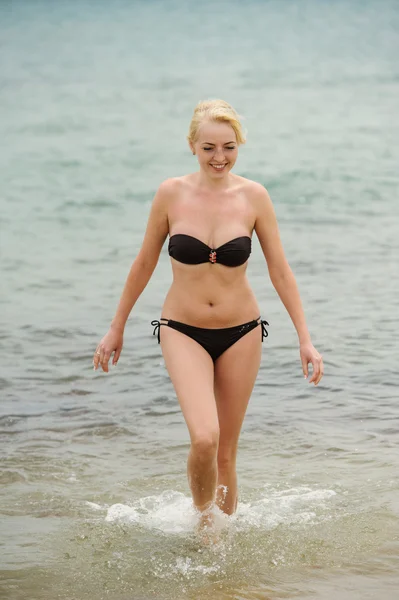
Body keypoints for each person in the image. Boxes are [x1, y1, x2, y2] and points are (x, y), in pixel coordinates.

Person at [93, 99, 324, 525]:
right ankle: (205, 525)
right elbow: (144, 262)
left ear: (239, 146)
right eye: (209, 148)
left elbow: (280, 270)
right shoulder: (170, 194)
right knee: (204, 438)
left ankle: (220, 546)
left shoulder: (255, 196)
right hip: (182, 329)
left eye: (229, 147)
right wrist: (116, 327)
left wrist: (305, 339)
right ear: (192, 146)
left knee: (225, 452)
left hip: (243, 332)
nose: (220, 157)